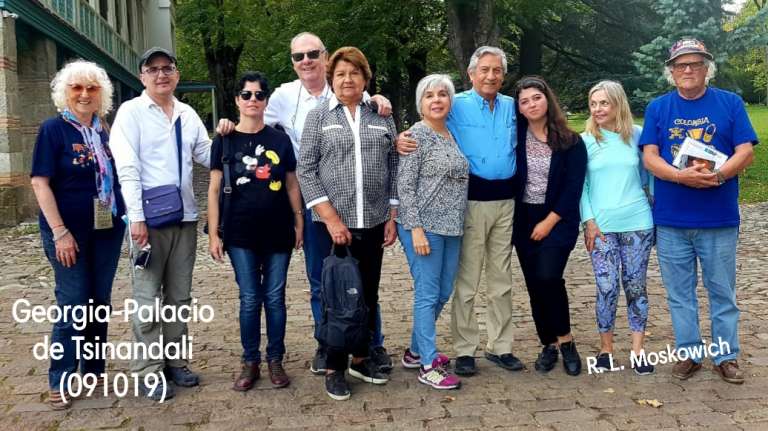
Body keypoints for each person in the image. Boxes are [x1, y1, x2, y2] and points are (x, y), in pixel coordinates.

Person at [217, 32, 393, 374]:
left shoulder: (350, 87)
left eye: (313, 53)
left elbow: (374, 115)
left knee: (365, 278)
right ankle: (327, 345)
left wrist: (382, 100)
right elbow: (252, 116)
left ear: (325, 57)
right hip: (315, 202)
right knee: (321, 280)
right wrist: (227, 125)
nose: (306, 61)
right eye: (298, 56)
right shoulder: (283, 95)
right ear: (292, 62)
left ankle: (371, 343)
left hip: (359, 203)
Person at [639, 38, 757, 384]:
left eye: (695, 64)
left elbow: (745, 151)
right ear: (671, 72)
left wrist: (718, 175)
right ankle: (689, 353)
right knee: (679, 294)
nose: (687, 70)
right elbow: (649, 156)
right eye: (680, 65)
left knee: (722, 291)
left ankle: (725, 356)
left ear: (708, 68)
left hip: (718, 216)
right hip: (672, 218)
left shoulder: (730, 103)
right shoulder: (658, 108)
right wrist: (680, 176)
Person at [398, 46, 521, 376]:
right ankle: (464, 349)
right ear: (471, 74)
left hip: (505, 202)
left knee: (501, 279)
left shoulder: (512, 107)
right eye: (484, 70)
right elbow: (427, 119)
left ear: (503, 76)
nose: (490, 76)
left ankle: (501, 346)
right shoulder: (457, 105)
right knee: (465, 281)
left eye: (497, 71)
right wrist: (401, 137)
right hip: (468, 204)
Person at [110, 47, 212, 400]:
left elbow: (208, 154)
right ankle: (147, 370)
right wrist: (135, 217)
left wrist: (241, 135)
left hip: (184, 217)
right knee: (147, 299)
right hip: (148, 222)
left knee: (180, 298)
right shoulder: (131, 113)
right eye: (152, 69)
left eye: (167, 68)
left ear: (177, 74)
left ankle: (174, 362)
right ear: (142, 77)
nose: (160, 74)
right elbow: (127, 167)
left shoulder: (186, 113)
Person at [298, 46, 398, 401]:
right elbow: (306, 169)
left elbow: (393, 166)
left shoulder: (381, 115)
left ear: (365, 78)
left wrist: (392, 214)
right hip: (332, 226)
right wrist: (330, 218)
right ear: (331, 79)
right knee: (336, 298)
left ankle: (360, 358)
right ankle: (334, 366)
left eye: (354, 73)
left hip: (372, 220)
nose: (347, 79)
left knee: (366, 294)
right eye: (340, 74)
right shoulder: (318, 117)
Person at [30, 60, 125, 410]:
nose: (84, 94)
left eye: (92, 88)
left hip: (106, 229)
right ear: (65, 93)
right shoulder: (53, 130)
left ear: (102, 94)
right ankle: (62, 376)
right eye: (77, 88)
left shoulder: (105, 131)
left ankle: (94, 370)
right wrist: (59, 233)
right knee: (73, 304)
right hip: (67, 231)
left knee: (99, 303)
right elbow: (40, 182)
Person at [208, 72, 303, 391]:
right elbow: (213, 188)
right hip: (239, 231)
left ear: (266, 100)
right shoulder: (224, 139)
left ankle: (275, 358)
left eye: (259, 95)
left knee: (275, 298)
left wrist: (299, 220)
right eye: (246, 95)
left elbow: (291, 183)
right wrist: (213, 234)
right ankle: (250, 361)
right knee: (250, 298)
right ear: (236, 99)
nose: (253, 100)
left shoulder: (279, 139)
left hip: (277, 230)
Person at [396, 74, 468, 390]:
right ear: (420, 103)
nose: (436, 100)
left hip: (452, 226)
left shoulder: (452, 134)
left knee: (442, 292)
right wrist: (416, 230)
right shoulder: (416, 136)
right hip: (424, 227)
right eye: (429, 96)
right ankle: (428, 363)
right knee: (427, 294)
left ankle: (414, 351)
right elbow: (405, 186)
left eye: (442, 94)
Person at [579, 80, 655, 375]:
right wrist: (589, 221)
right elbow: (581, 186)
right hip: (601, 227)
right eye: (593, 103)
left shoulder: (637, 136)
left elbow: (649, 177)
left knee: (636, 287)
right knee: (606, 287)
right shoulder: (585, 140)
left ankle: (638, 350)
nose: (598, 109)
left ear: (618, 104)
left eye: (604, 103)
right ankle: (606, 348)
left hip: (638, 222)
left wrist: (655, 210)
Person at [513, 76, 587, 376]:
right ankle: (548, 343)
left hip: (558, 219)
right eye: (524, 101)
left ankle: (567, 340)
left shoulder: (570, 141)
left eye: (536, 98)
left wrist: (549, 221)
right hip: (523, 218)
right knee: (534, 284)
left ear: (547, 100)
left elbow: (573, 189)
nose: (531, 104)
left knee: (548, 276)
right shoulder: (515, 137)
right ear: (518, 108)